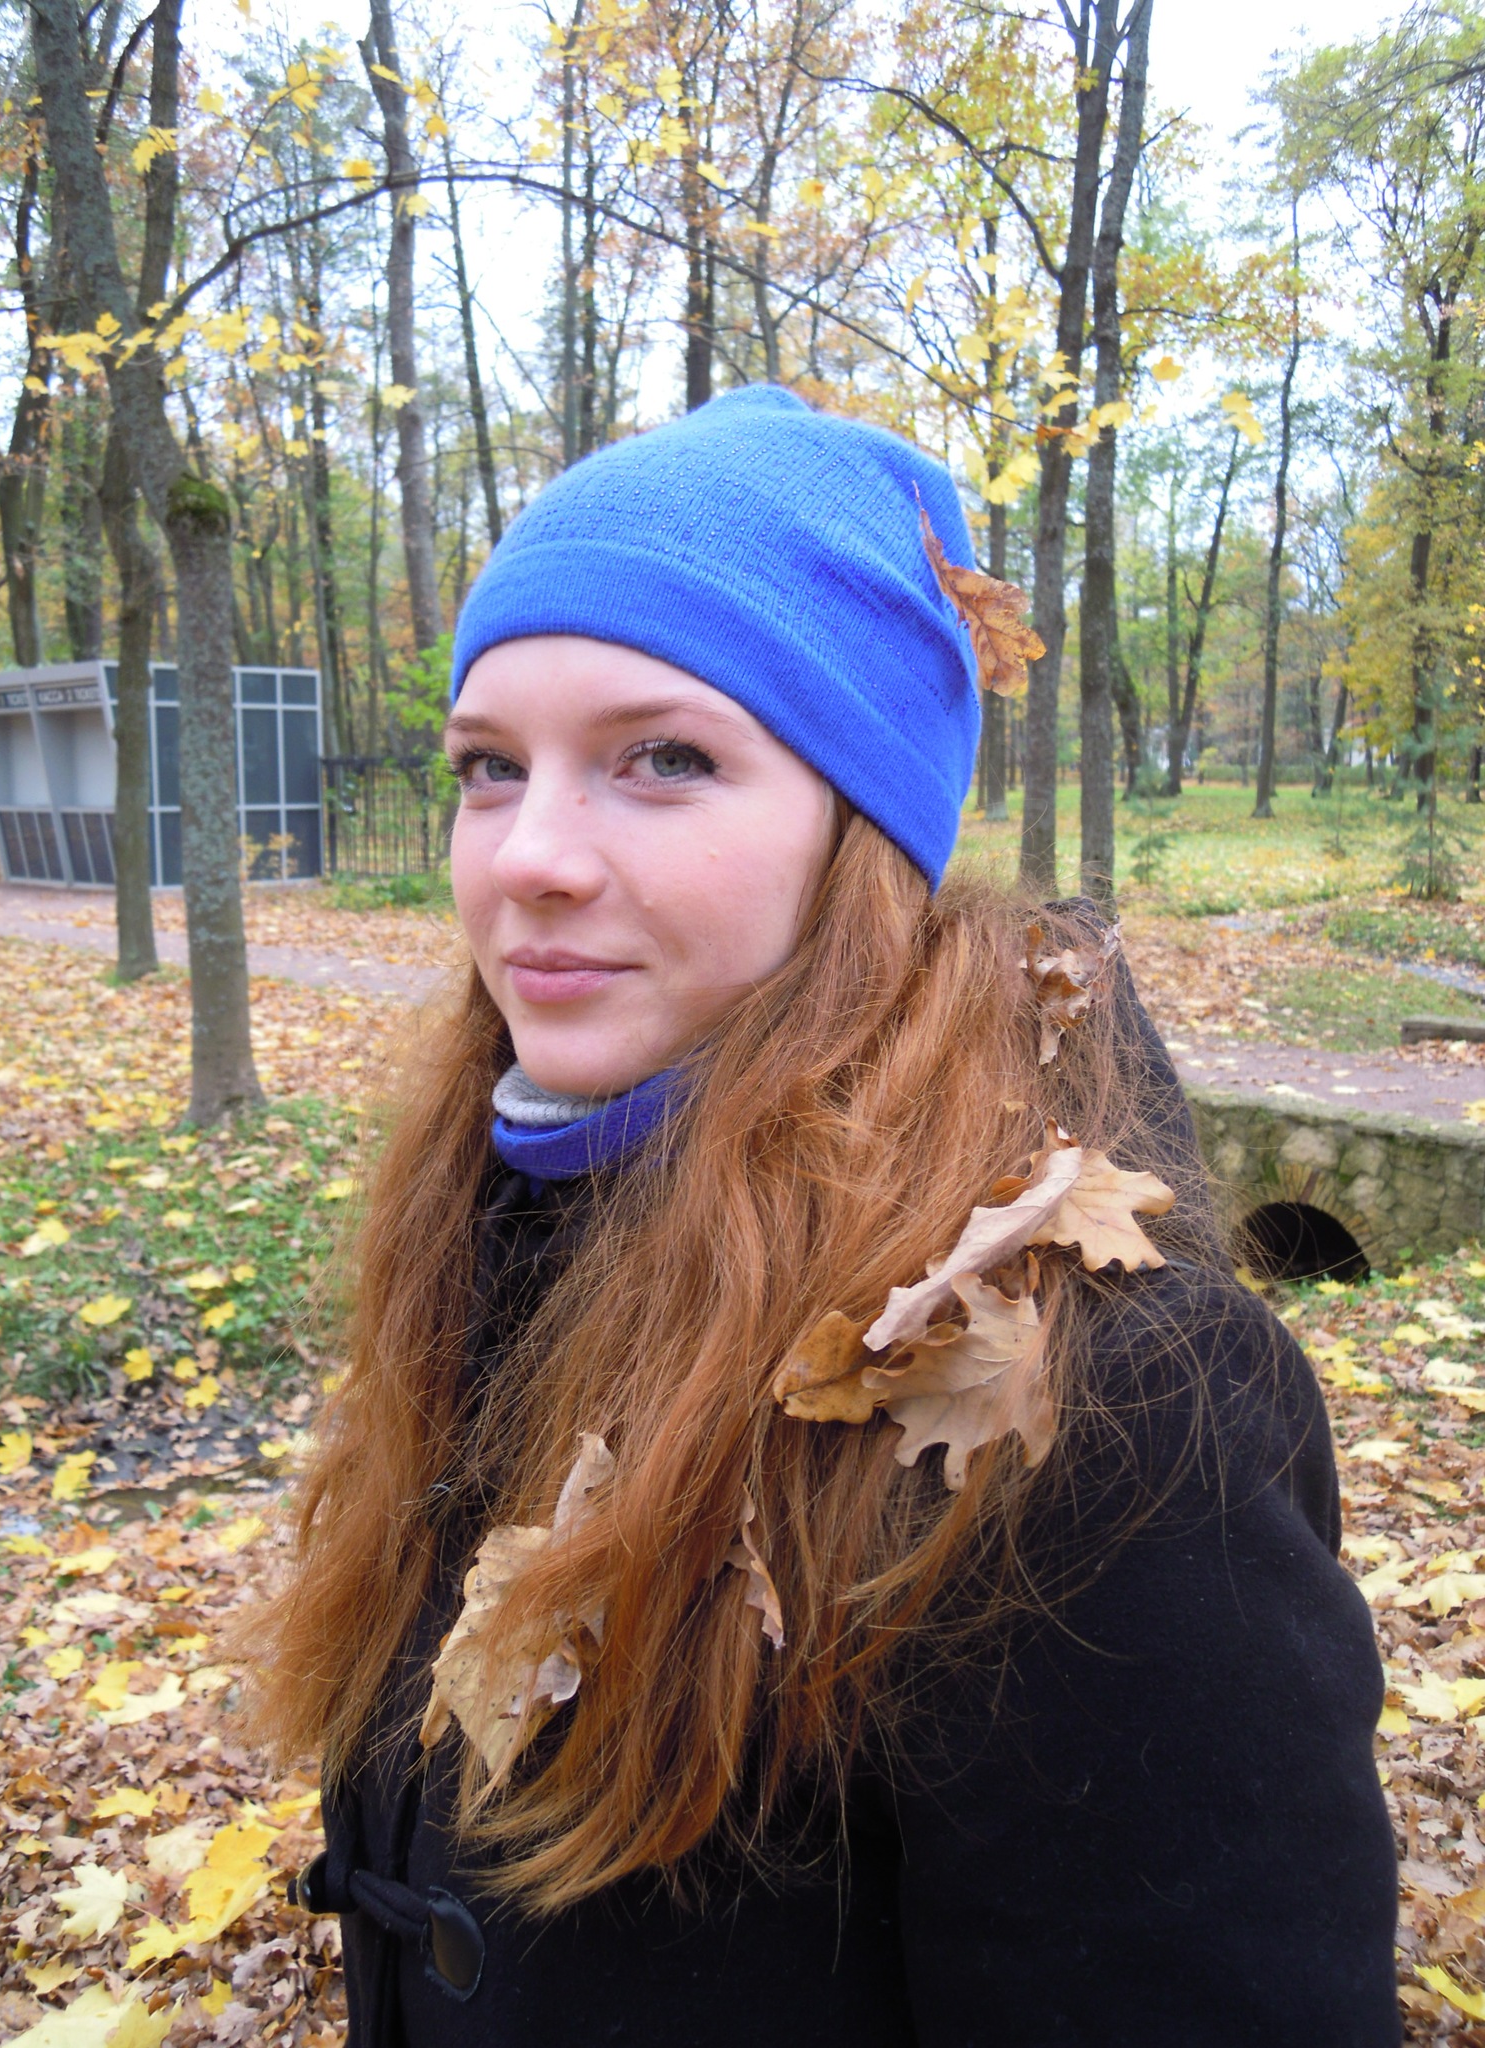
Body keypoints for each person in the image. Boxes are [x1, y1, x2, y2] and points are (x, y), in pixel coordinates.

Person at [246, 386, 1400, 2045]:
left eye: (664, 759)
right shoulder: (495, 1235)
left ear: (862, 833)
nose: (528, 856)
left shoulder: (1098, 1405)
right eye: (489, 768)